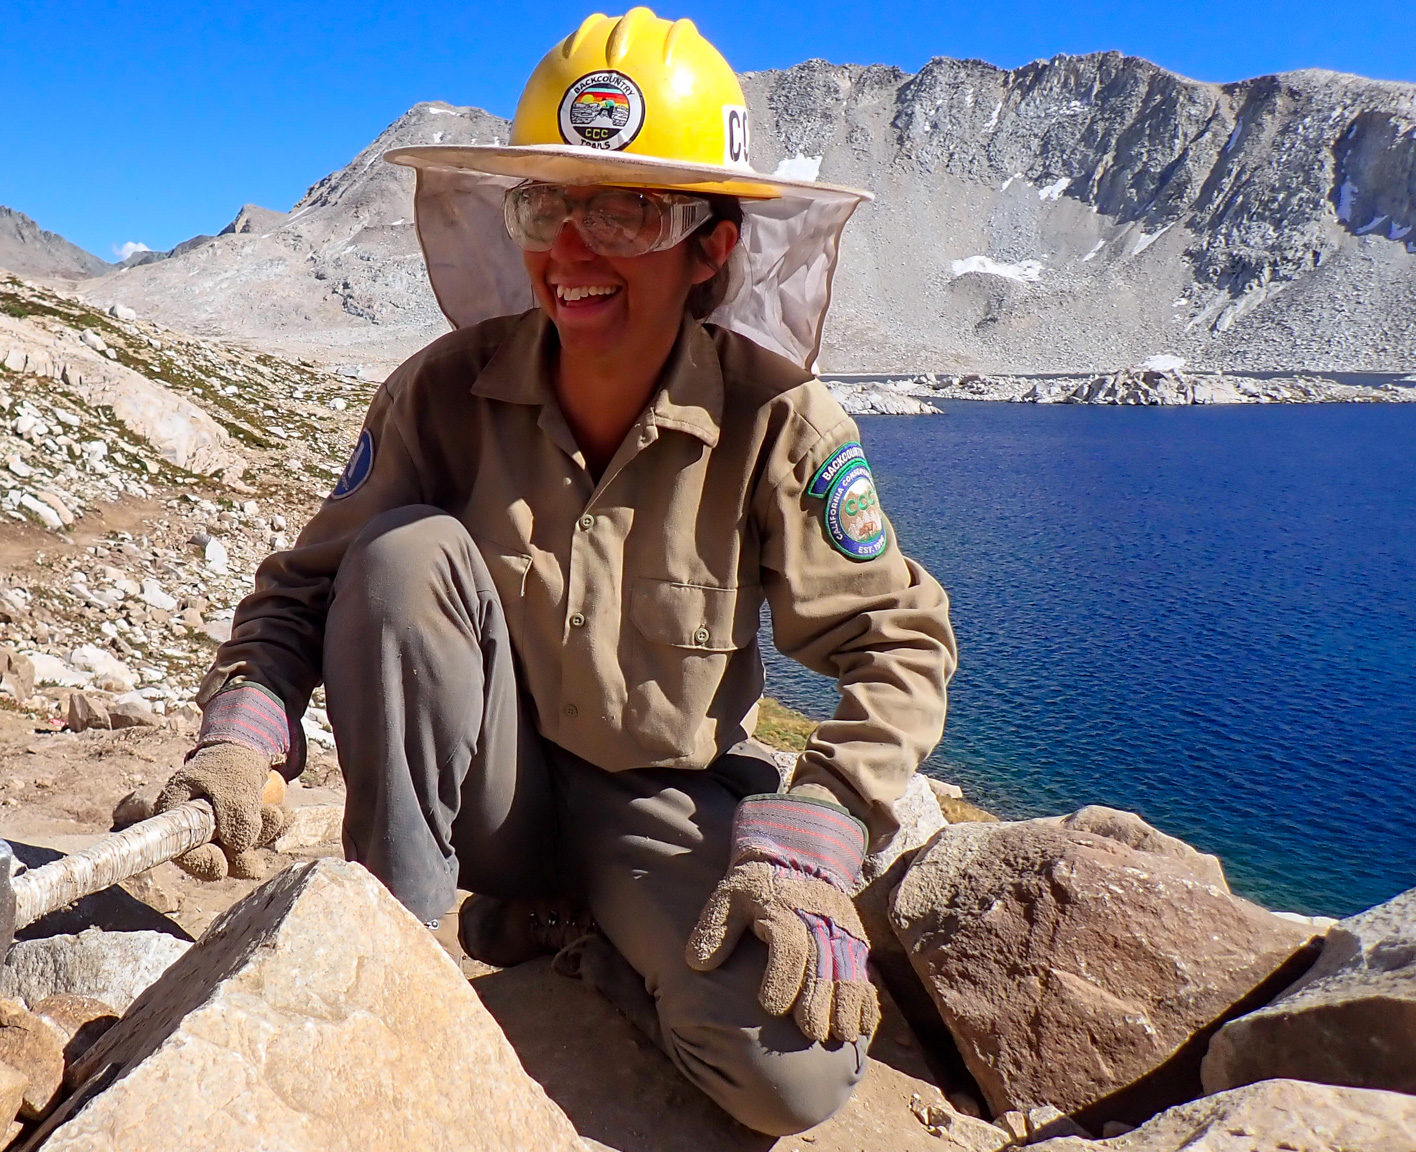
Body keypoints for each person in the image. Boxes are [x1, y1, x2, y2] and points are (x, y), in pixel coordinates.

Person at [155, 7, 957, 1136]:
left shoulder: (777, 423)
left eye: (625, 209)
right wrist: (239, 738)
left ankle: (568, 933)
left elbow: (898, 642)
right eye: (547, 205)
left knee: (792, 1074)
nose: (570, 251)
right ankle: (400, 952)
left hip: (658, 800)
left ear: (709, 245)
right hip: (487, 799)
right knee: (400, 559)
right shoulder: (439, 392)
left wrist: (819, 830)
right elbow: (304, 589)